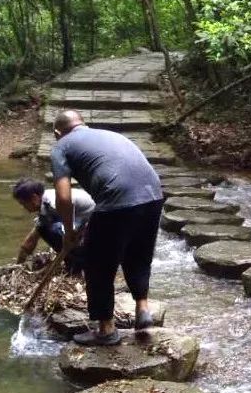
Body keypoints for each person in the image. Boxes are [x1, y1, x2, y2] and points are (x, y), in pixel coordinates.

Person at [50, 110, 165, 345]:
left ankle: (106, 330)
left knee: (97, 264)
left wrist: (69, 232)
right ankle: (142, 308)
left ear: (56, 133)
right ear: (84, 124)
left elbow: (63, 198)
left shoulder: (61, 146)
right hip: (153, 194)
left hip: (117, 200)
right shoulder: (108, 134)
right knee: (138, 255)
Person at [13, 178, 95, 273]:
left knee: (49, 229)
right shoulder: (45, 201)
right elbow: (31, 240)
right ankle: (74, 261)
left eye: (24, 204)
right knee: (43, 228)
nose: (24, 208)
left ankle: (78, 262)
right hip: (82, 222)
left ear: (34, 198)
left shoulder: (54, 204)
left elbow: (70, 234)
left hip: (95, 225)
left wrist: (51, 267)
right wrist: (18, 267)